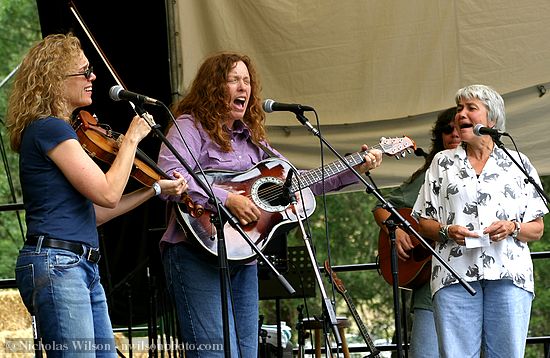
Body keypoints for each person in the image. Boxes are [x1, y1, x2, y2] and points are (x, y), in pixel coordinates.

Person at [157, 51, 383, 357]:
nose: (243, 87)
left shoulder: (253, 139)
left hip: (245, 254)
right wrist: (227, 199)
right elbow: (171, 176)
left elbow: (299, 182)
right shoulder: (190, 125)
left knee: (247, 352)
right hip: (195, 250)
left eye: (247, 81)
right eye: (233, 79)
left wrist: (356, 168)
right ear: (213, 86)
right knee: (215, 352)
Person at [6, 33, 188, 356]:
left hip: (80, 264)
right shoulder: (50, 128)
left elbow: (98, 213)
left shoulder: (58, 131)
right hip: (60, 263)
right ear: (55, 80)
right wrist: (131, 139)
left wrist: (156, 188)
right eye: (84, 71)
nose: (93, 77)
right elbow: (107, 192)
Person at [412, 84, 548, 357]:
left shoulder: (517, 162)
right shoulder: (442, 162)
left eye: (470, 108)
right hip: (455, 275)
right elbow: (423, 221)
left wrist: (513, 227)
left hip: (509, 275)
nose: (461, 114)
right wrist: (447, 231)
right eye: (459, 108)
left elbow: (537, 229)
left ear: (492, 120)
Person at [372, 107, 460, 358]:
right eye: (447, 129)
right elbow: (381, 207)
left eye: (459, 127)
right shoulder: (430, 175)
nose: (453, 133)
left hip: (471, 286)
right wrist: (396, 229)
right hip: (430, 291)